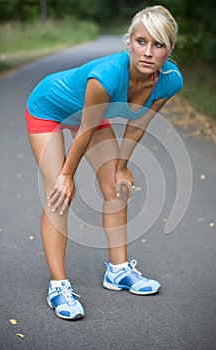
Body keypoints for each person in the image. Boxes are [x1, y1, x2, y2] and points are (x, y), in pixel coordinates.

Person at [26, 5, 183, 320]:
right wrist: (67, 175)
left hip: (90, 117)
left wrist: (122, 165)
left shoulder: (170, 81)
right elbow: (85, 130)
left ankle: (118, 271)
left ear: (170, 48)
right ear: (128, 42)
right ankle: (58, 286)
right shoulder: (108, 75)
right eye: (141, 41)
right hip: (50, 108)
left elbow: (139, 125)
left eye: (158, 44)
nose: (148, 52)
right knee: (59, 195)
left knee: (117, 187)